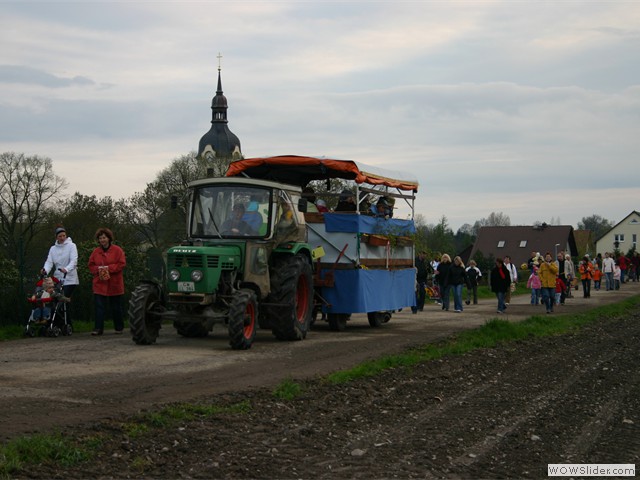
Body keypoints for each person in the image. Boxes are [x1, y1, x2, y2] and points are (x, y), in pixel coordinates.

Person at [88, 228, 127, 335]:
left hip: (114, 283)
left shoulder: (118, 250)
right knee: (99, 306)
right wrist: (98, 270)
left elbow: (122, 264)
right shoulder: (96, 252)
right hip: (99, 283)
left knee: (116, 306)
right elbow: (91, 265)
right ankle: (98, 329)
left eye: (104, 237)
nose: (102, 240)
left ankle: (119, 327)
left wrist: (108, 268)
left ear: (109, 238)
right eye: (100, 238)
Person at [42, 225, 78, 325]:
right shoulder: (53, 249)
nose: (62, 238)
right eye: (60, 236)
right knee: (57, 301)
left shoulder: (72, 246)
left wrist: (66, 269)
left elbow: (74, 261)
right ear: (56, 237)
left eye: (64, 236)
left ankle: (62, 324)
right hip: (57, 279)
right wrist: (45, 270)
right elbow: (49, 262)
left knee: (62, 300)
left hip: (70, 278)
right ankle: (64, 324)